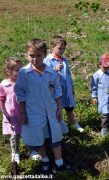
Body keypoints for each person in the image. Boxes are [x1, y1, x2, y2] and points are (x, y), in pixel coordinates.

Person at [14, 39, 70, 174]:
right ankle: (45, 161)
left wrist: (59, 109)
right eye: (31, 55)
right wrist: (22, 112)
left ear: (44, 54)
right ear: (27, 55)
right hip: (33, 112)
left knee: (55, 137)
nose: (35, 59)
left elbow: (57, 90)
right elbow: (20, 92)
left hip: (51, 110)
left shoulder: (51, 72)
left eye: (38, 55)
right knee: (39, 139)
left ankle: (59, 163)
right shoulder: (24, 73)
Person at [44, 35, 84, 133]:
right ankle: (59, 126)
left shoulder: (64, 60)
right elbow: (45, 75)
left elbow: (68, 75)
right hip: (56, 90)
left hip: (66, 89)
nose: (62, 50)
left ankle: (74, 123)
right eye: (59, 48)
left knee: (69, 107)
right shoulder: (48, 60)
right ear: (52, 47)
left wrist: (72, 87)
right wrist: (55, 70)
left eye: (63, 48)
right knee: (58, 108)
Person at [0, 58, 23, 164]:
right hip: (11, 114)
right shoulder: (4, 84)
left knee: (26, 131)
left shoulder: (22, 83)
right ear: (8, 71)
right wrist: (5, 113)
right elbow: (1, 99)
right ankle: (15, 153)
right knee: (14, 135)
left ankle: (33, 149)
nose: (20, 72)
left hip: (23, 112)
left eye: (21, 69)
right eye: (17, 70)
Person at [91, 52, 109, 137]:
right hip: (102, 97)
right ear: (99, 65)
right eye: (104, 67)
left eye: (108, 67)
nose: (106, 68)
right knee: (105, 113)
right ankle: (104, 128)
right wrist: (94, 96)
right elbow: (94, 86)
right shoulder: (97, 75)